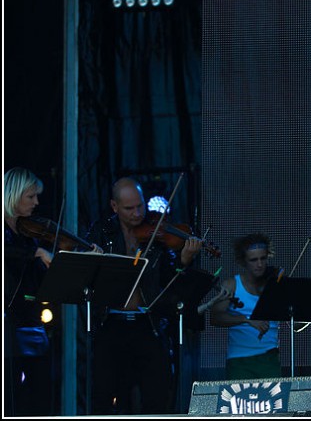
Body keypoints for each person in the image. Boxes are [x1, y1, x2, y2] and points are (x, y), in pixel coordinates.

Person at [86, 177, 202, 414]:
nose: (137, 213)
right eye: (129, 208)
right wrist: (93, 257)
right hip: (111, 325)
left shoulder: (157, 234)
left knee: (157, 394)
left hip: (148, 324)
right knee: (107, 396)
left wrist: (184, 260)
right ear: (114, 206)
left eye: (140, 205)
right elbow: (88, 275)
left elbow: (170, 278)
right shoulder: (102, 231)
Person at [4, 167, 55, 416]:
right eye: (30, 196)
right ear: (13, 195)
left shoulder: (27, 234)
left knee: (39, 393)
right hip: (9, 321)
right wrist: (35, 253)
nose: (36, 202)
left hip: (30, 319)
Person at [210, 233, 281, 380]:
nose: (260, 264)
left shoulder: (276, 284)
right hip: (239, 360)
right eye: (253, 260)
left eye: (263, 258)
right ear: (243, 262)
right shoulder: (232, 285)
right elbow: (215, 317)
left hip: (270, 357)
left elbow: (297, 326)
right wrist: (247, 319)